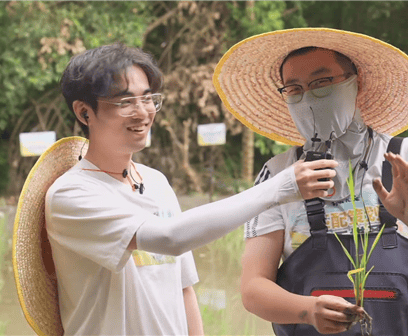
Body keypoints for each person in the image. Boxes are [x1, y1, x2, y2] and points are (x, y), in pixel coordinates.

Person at [35, 42, 350, 336]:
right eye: (126, 102)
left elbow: (182, 288)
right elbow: (170, 238)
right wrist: (280, 186)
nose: (143, 112)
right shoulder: (72, 194)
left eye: (148, 99)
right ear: (84, 112)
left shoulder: (155, 181)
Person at [213, 28, 408, 335]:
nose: (308, 98)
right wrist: (306, 310)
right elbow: (253, 288)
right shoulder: (279, 175)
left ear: (355, 82)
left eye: (321, 82)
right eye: (294, 89)